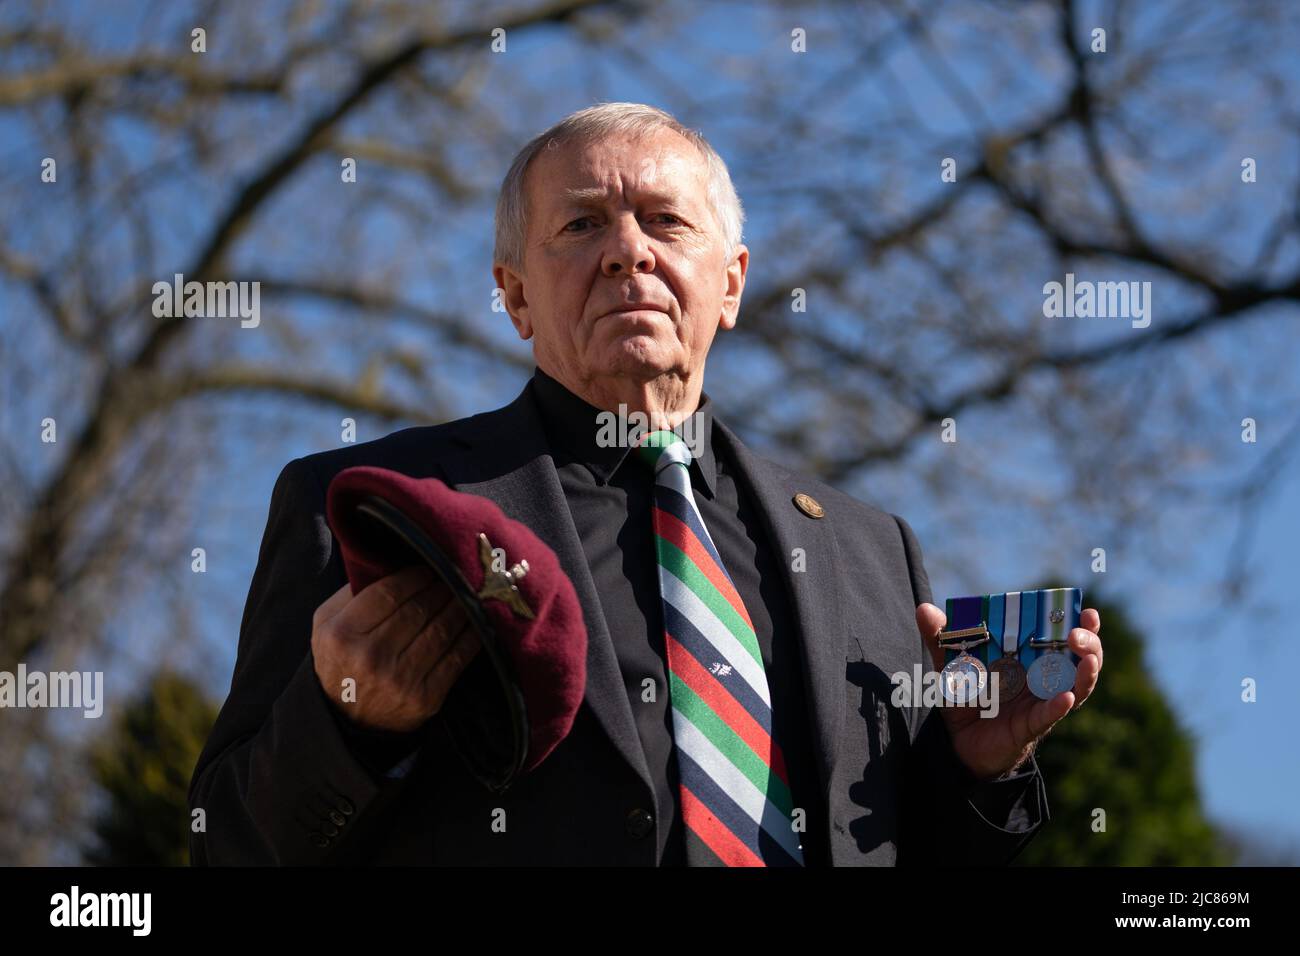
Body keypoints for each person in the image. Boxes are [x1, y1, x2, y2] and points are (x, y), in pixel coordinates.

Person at [188, 102, 1104, 866]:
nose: (629, 252)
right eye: (583, 224)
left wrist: (975, 771)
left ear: (732, 283)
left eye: (666, 222)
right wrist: (349, 723)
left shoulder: (868, 548)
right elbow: (224, 843)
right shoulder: (370, 506)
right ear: (514, 296)